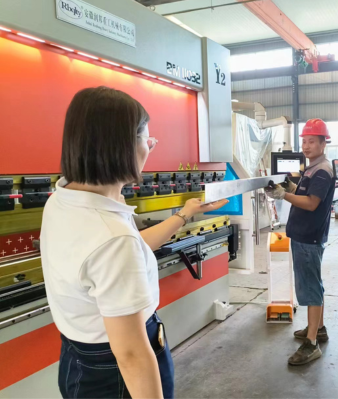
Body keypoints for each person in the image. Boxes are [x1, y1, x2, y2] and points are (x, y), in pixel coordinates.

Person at [40, 87, 227, 399]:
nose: (150, 147)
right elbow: (131, 355)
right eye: (147, 139)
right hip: (115, 372)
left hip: (77, 359)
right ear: (121, 146)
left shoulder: (64, 200)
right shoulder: (112, 237)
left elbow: (130, 249)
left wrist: (185, 214)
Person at [265, 118, 336, 366]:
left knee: (310, 288)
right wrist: (290, 187)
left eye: (311, 141)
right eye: (304, 141)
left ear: (323, 143)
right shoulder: (312, 167)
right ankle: (318, 329)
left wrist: (285, 195)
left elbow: (311, 203)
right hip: (307, 235)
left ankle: (312, 343)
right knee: (314, 284)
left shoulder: (322, 171)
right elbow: (306, 194)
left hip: (309, 237)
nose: (306, 146)